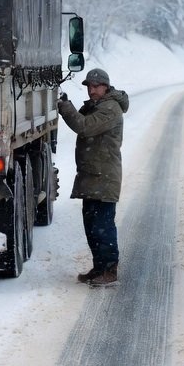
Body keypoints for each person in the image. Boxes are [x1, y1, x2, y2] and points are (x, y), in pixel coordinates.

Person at [56, 67, 129, 287]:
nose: (92, 90)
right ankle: (99, 267)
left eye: (96, 86)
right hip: (92, 176)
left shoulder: (110, 109)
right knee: (91, 226)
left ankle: (109, 270)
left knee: (103, 225)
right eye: (89, 86)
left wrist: (64, 107)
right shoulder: (96, 106)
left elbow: (84, 126)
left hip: (105, 177)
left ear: (106, 86)